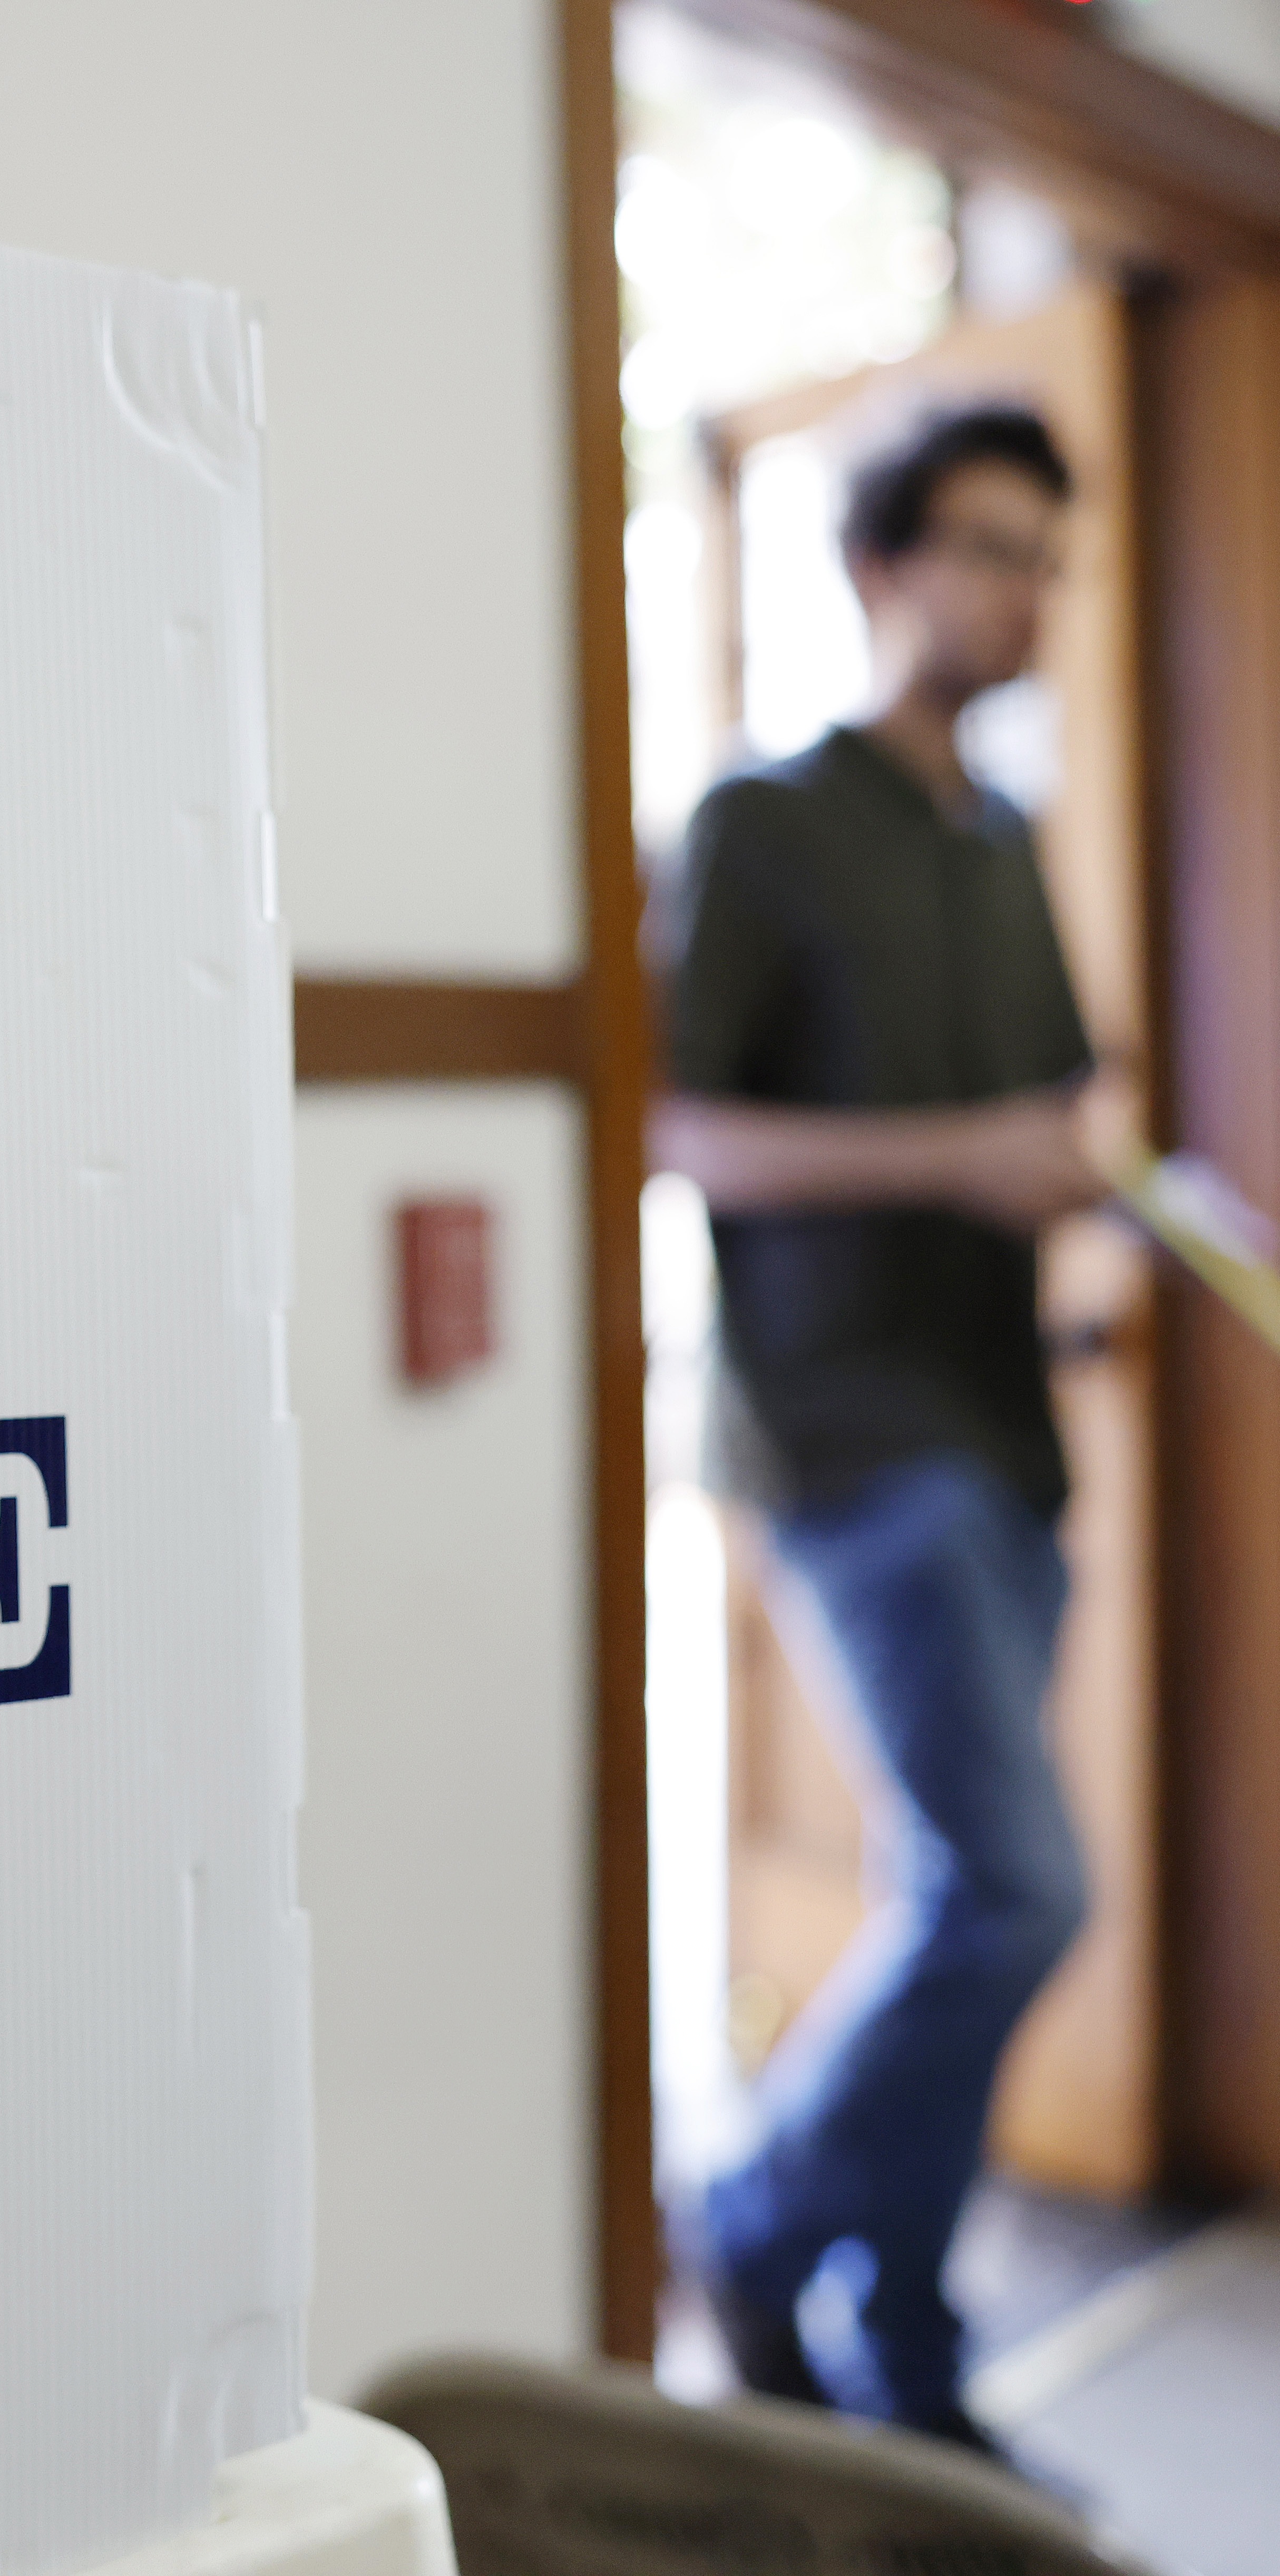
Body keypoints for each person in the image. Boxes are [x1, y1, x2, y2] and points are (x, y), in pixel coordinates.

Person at [653, 402, 1116, 2454]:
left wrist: (1088, 1178)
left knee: (973, 1885)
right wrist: (954, 1160)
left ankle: (903, 2355)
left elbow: (1052, 1116)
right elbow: (669, 1126)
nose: (1021, 591)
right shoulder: (763, 822)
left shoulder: (1007, 843)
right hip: (852, 1440)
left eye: (1045, 557)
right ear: (880, 564)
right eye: (989, 546)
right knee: (1011, 1891)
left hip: (1013, 1440)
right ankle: (758, 2225)